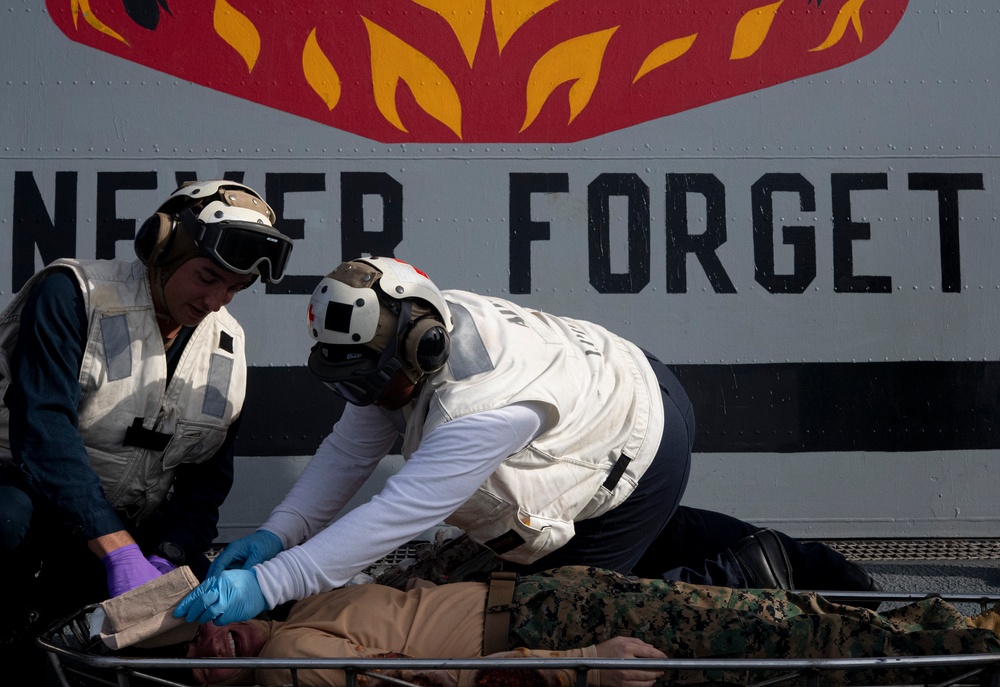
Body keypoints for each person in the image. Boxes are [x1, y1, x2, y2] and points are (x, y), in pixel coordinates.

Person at [177, 256, 878, 626]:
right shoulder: (407, 339)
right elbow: (348, 452)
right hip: (619, 400)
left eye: (371, 382)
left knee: (557, 613)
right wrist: (276, 534)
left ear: (416, 350)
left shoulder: (479, 403)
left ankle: (748, 579)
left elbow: (396, 514)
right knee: (579, 539)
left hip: (640, 438)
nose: (365, 400)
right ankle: (789, 557)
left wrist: (267, 583)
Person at [0, 179, 294, 664]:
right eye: (206, 277)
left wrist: (171, 556)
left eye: (234, 289)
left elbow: (207, 480)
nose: (215, 301)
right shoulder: (75, 295)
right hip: (36, 507)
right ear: (162, 247)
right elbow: (43, 431)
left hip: (129, 536)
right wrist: (117, 551)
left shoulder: (228, 345)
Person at [181, 566, 1000, 687]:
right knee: (780, 632)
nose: (213, 638)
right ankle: (970, 646)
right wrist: (582, 661)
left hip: (549, 597)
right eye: (195, 655)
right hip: (557, 624)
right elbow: (434, 676)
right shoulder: (290, 654)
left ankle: (956, 640)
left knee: (778, 625)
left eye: (201, 627)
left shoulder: (287, 606)